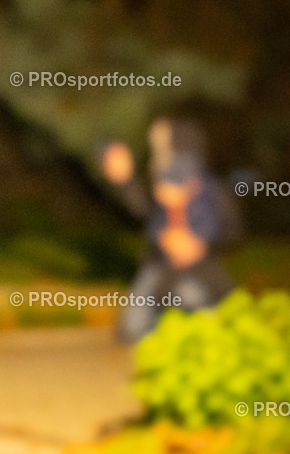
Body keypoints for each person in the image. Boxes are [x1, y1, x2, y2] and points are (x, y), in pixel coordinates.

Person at [101, 116, 240, 342]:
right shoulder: (158, 188)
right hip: (161, 269)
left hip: (200, 270)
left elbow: (232, 234)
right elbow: (141, 209)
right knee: (134, 326)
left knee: (193, 300)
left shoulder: (213, 193)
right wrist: (124, 179)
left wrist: (200, 246)